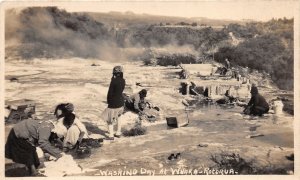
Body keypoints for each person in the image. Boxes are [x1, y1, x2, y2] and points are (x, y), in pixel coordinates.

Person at [102, 66, 126, 140]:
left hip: (113, 103)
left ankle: (111, 135)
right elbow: (119, 90)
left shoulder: (113, 81)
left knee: (110, 120)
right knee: (119, 117)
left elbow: (110, 93)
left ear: (114, 73)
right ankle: (118, 133)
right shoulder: (123, 80)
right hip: (121, 102)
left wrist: (109, 102)